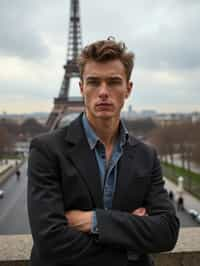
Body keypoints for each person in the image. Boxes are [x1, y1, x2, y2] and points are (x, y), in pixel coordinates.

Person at [27, 38, 180, 266]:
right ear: (81, 88)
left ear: (128, 89)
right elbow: (50, 242)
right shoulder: (46, 150)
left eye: (114, 82)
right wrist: (131, 243)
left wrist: (94, 221)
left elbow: (166, 232)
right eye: (94, 82)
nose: (103, 92)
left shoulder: (147, 155)